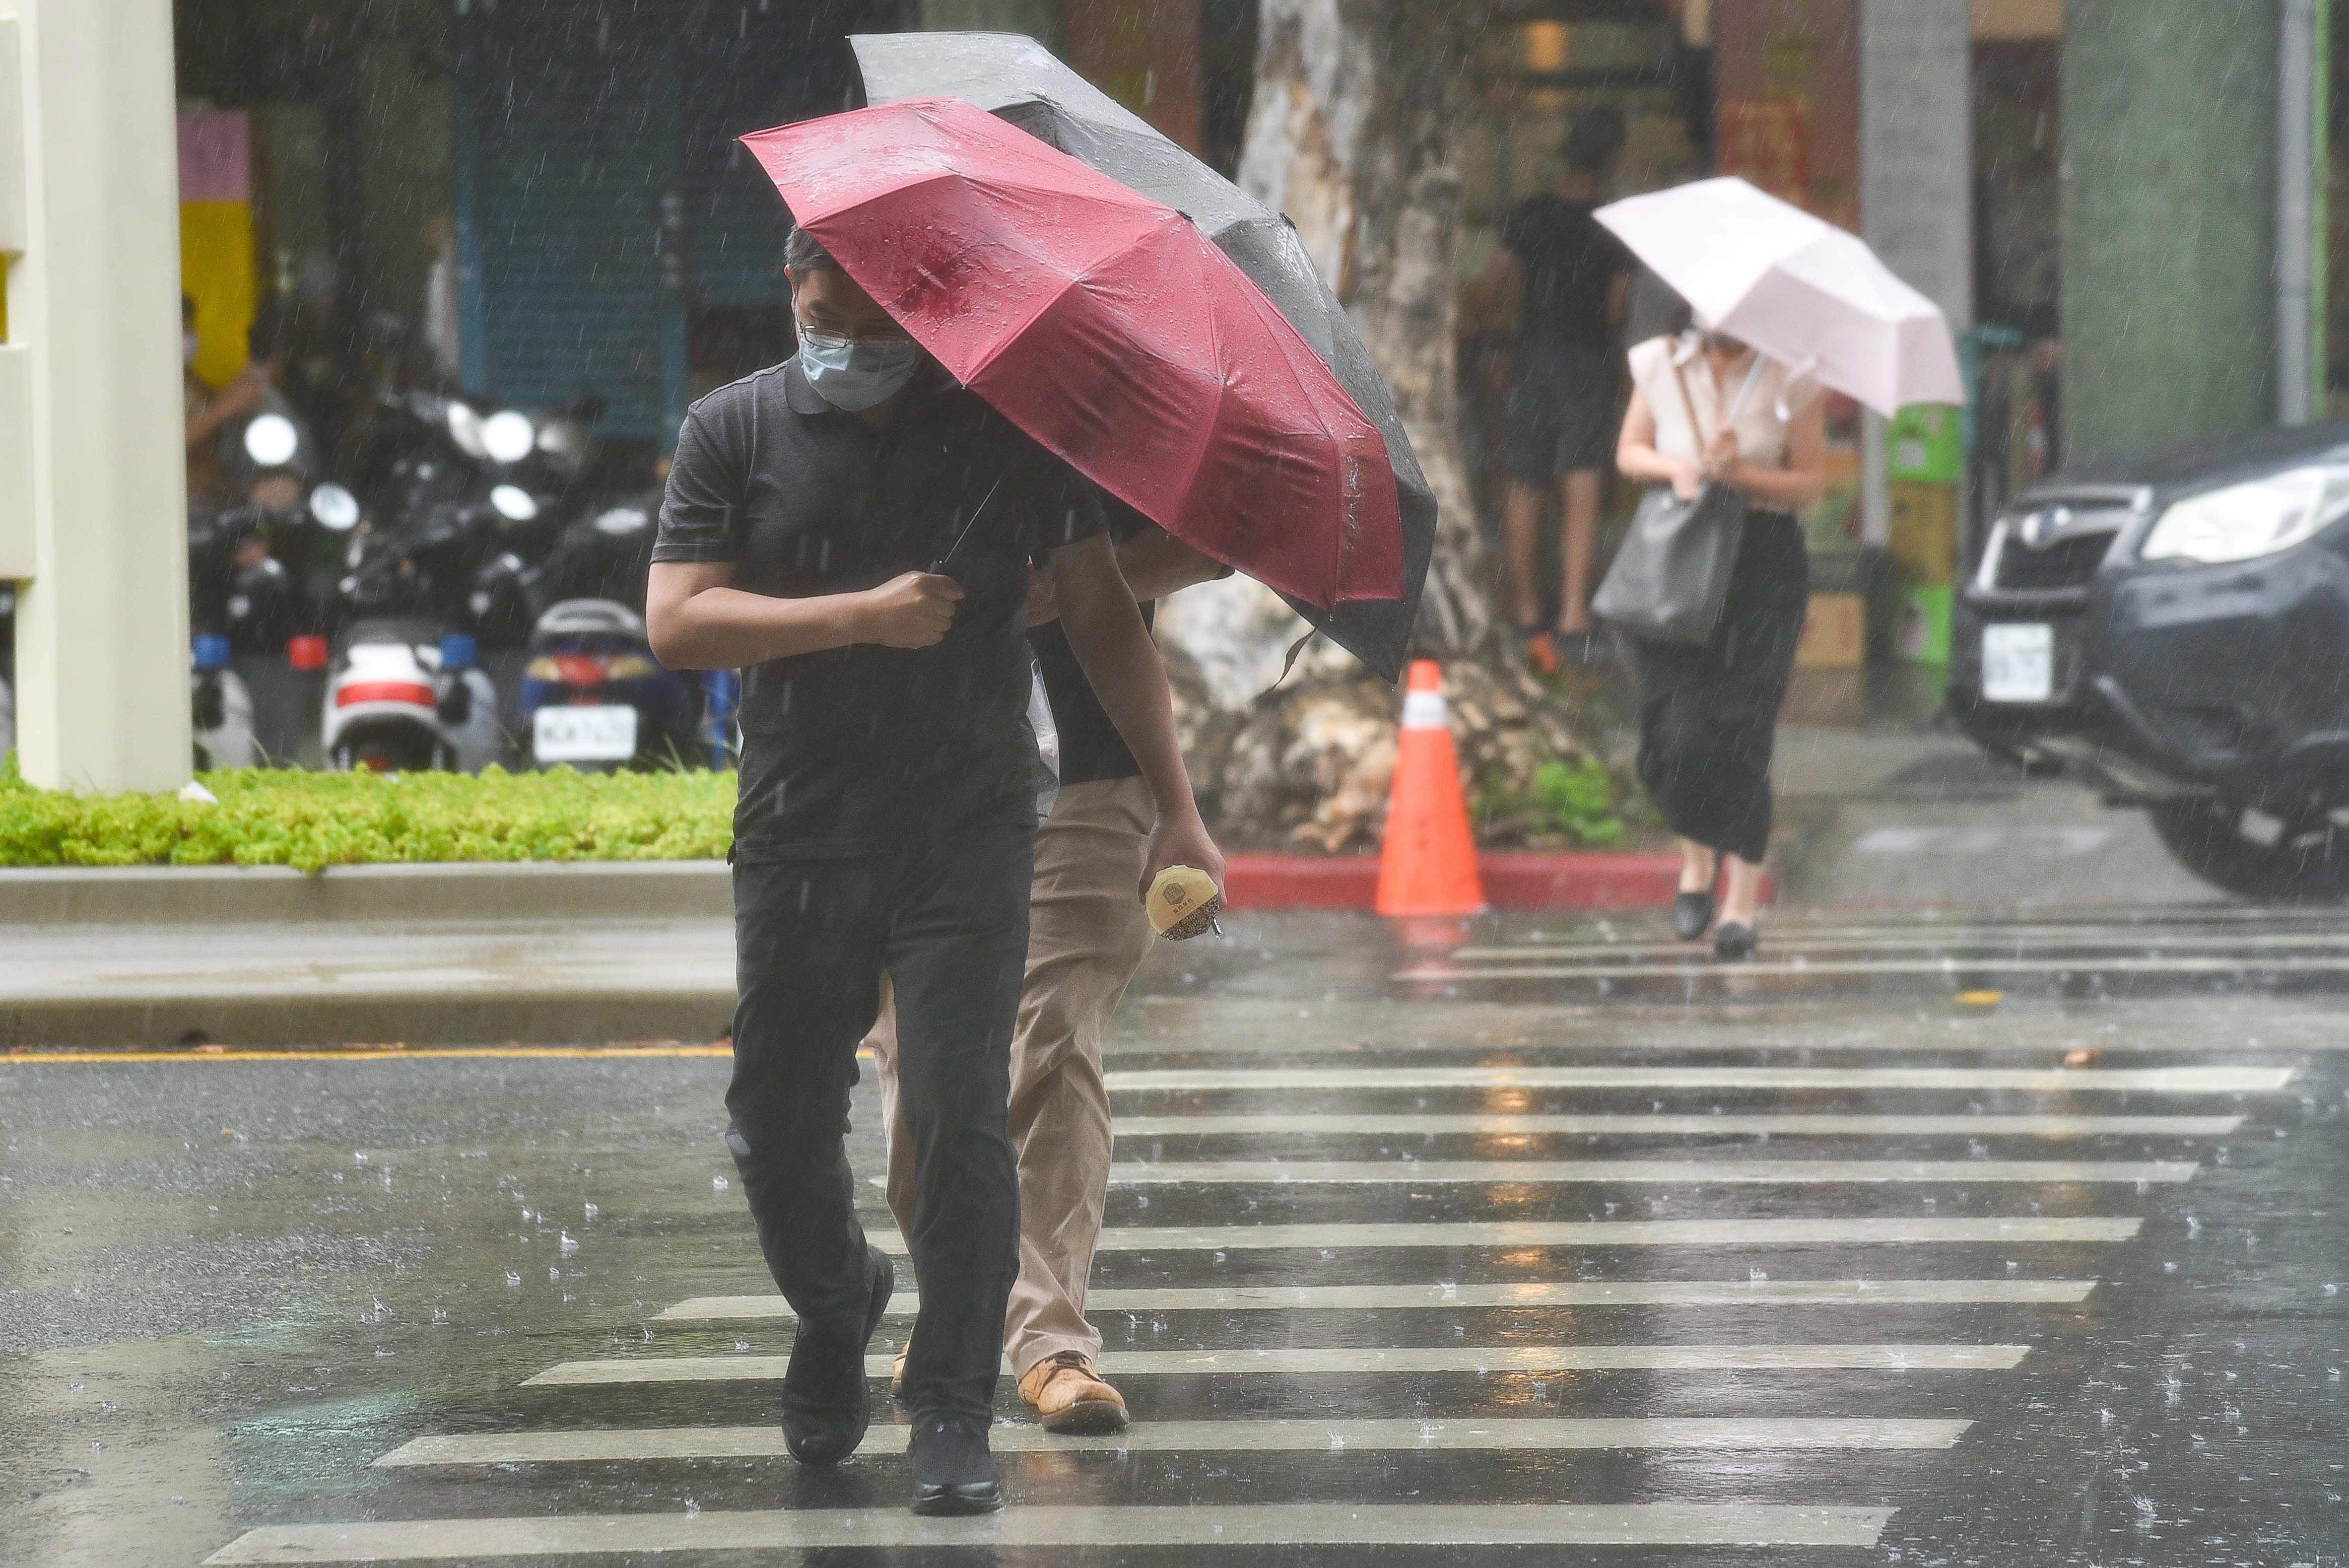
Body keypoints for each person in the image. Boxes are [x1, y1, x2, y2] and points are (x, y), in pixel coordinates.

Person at [644, 227, 1223, 1518]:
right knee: (777, 1114)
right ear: (787, 286)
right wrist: (857, 615)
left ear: (922, 308)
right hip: (801, 819)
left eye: (868, 321)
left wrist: (1177, 809)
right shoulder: (732, 427)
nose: (841, 341)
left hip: (969, 817)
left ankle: (954, 1398)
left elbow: (1101, 615)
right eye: (818, 310)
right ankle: (837, 1295)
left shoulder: (1007, 431)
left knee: (964, 1105)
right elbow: (678, 616)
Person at [868, 501, 1226, 1437]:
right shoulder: (884, 410)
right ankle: (960, 1300)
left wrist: (1077, 584)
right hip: (912, 775)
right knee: (922, 1058)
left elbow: (1214, 536)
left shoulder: (1109, 403)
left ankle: (1048, 1342)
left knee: (1046, 1037)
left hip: (1094, 768)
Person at [1613, 321, 1826, 961]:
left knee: (1742, 727)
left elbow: (1810, 482)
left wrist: (1744, 474)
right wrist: (1679, 468)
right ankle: (1696, 860)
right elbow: (1629, 452)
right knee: (1676, 730)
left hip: (1763, 561)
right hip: (1679, 553)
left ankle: (1740, 900)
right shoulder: (1661, 363)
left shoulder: (1794, 375)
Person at [1472, 107, 1634, 668]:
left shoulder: (1530, 216)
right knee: (1581, 484)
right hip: (1585, 361)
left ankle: (1525, 610)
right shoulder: (1614, 227)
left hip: (1532, 356)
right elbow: (1615, 310)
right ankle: (1572, 614)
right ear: (1609, 162)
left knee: (1525, 480)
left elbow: (1491, 287)